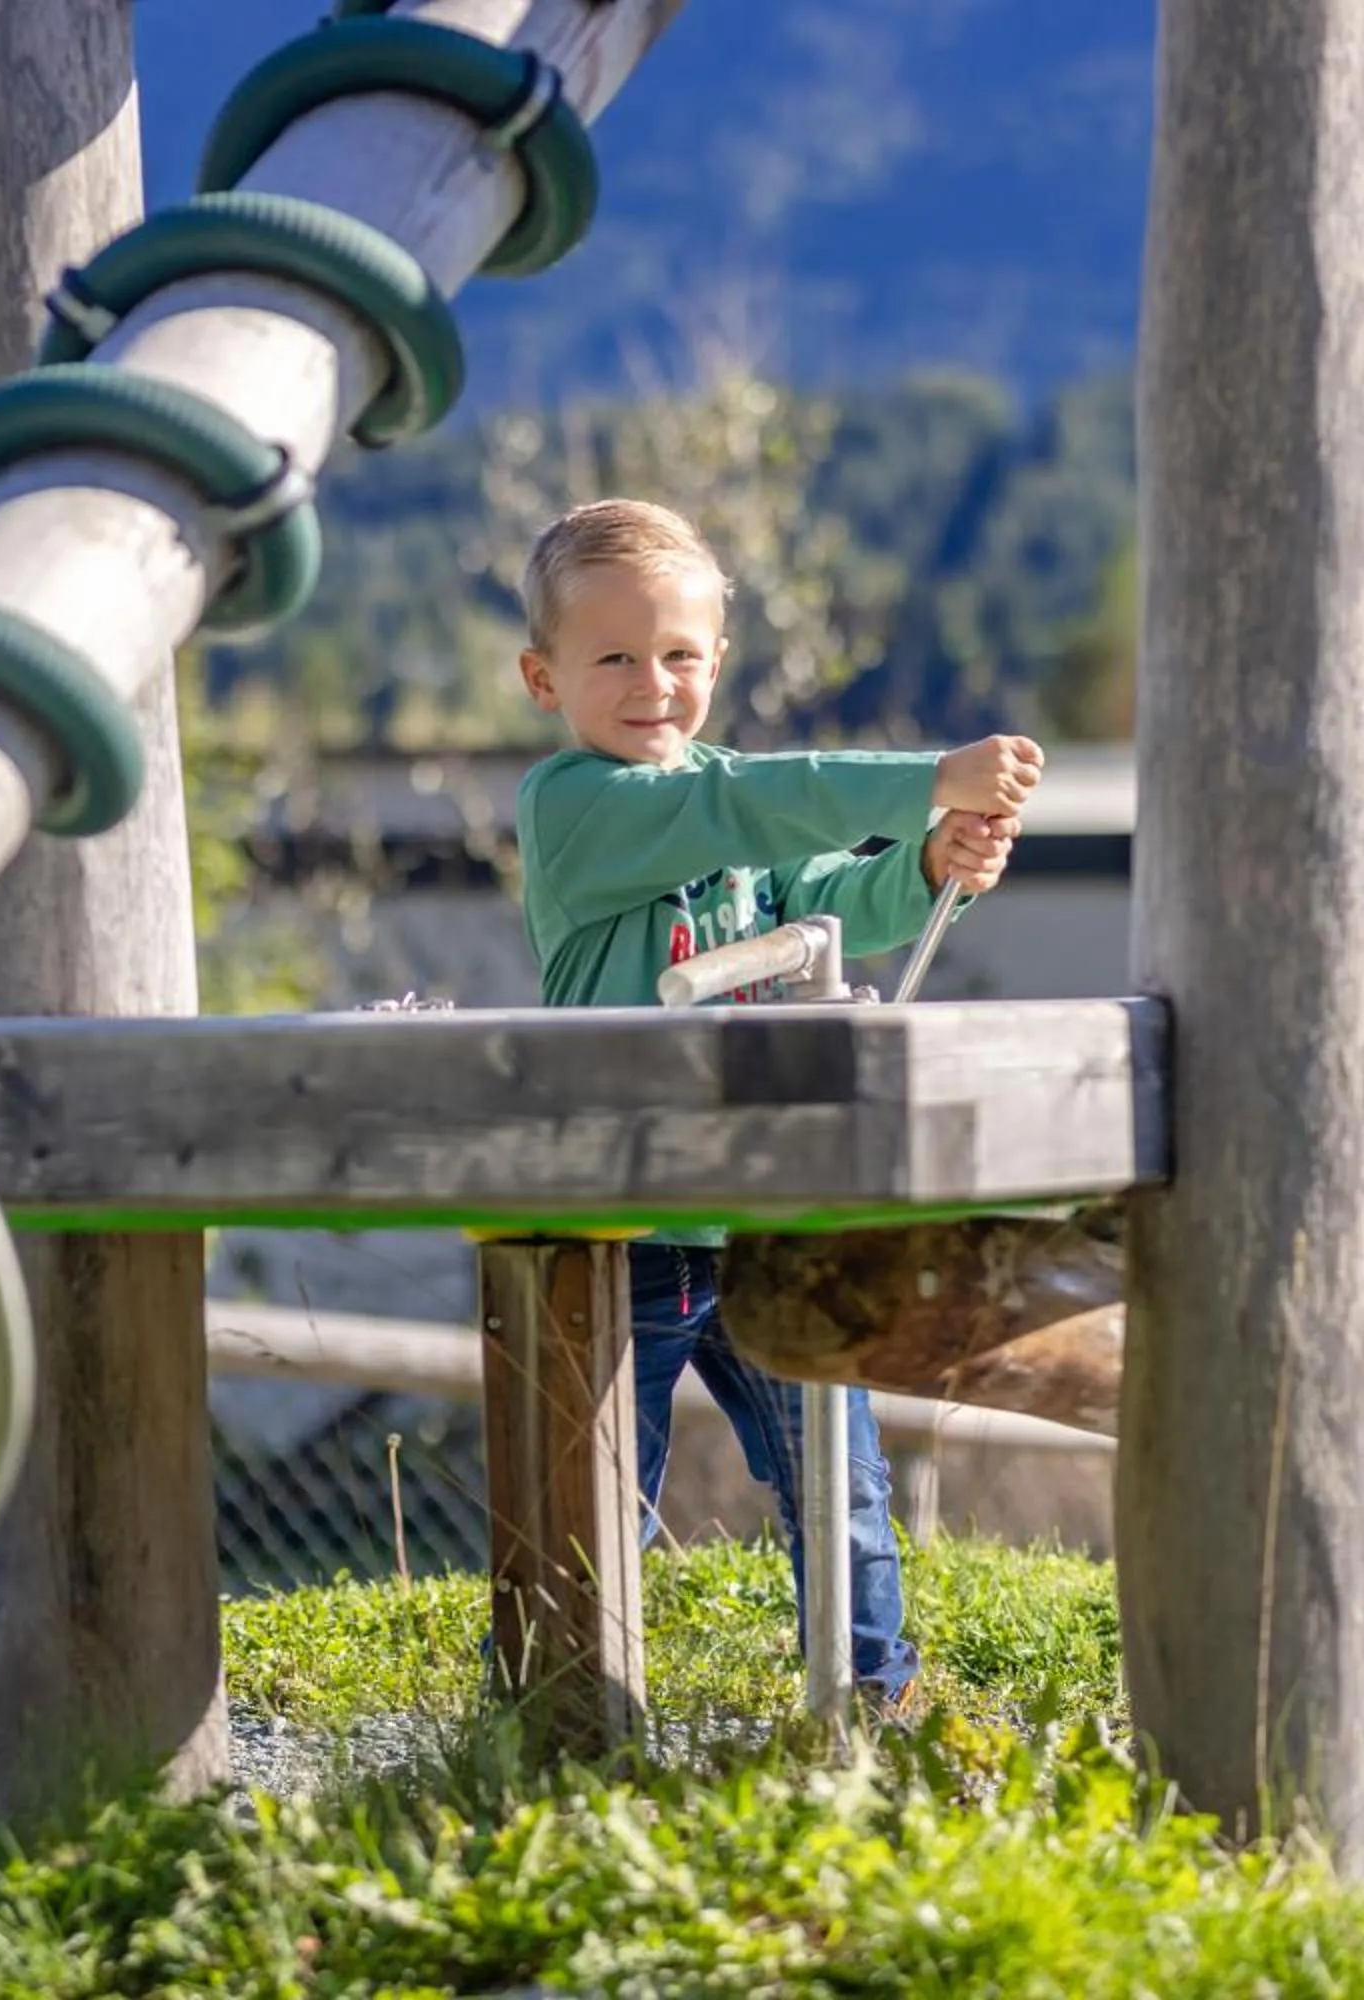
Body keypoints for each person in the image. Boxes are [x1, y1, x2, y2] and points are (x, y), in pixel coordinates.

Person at [511, 497, 1040, 1714]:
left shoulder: (730, 799)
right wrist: (928, 781)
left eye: (679, 654)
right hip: (624, 1222)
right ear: (545, 679)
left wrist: (929, 864)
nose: (654, 684)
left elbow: (833, 898)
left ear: (718, 658)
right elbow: (745, 807)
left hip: (765, 1210)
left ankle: (869, 1701)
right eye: (615, 657)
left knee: (836, 1482)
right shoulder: (573, 805)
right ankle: (567, 1713)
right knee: (598, 1496)